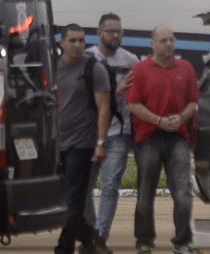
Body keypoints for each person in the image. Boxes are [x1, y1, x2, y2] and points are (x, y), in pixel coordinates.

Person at [126, 26, 202, 254]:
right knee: (145, 193)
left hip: (178, 138)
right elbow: (133, 104)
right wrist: (158, 121)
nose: (168, 44)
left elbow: (193, 102)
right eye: (163, 40)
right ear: (153, 44)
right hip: (148, 138)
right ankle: (145, 242)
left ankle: (183, 241)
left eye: (171, 40)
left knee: (182, 192)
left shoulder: (186, 68)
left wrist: (182, 117)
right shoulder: (140, 70)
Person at [81, 14, 139, 254]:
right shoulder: (88, 59)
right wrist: (117, 90)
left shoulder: (131, 60)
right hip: (89, 133)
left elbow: (138, 96)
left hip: (118, 132)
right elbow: (84, 98)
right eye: (111, 31)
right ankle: (90, 232)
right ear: (99, 33)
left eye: (119, 31)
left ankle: (101, 237)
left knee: (110, 185)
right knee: (83, 187)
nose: (115, 35)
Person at [54, 24, 111, 254]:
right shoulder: (53, 68)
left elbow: (104, 107)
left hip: (83, 142)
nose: (78, 45)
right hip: (57, 144)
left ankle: (63, 248)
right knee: (63, 198)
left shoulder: (93, 68)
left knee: (74, 197)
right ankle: (89, 236)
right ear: (62, 43)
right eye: (72, 41)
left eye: (81, 40)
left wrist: (101, 142)